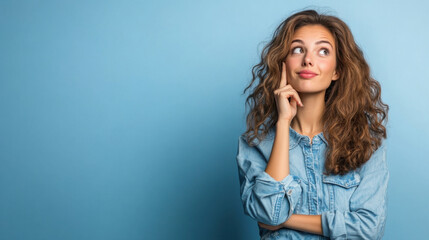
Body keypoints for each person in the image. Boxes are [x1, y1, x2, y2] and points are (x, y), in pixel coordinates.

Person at [235, 9, 389, 239]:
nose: (308, 59)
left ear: (337, 70)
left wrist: (287, 220)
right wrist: (283, 122)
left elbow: (368, 229)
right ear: (283, 63)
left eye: (323, 51)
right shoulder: (256, 144)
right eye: (298, 49)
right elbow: (268, 212)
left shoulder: (366, 141)